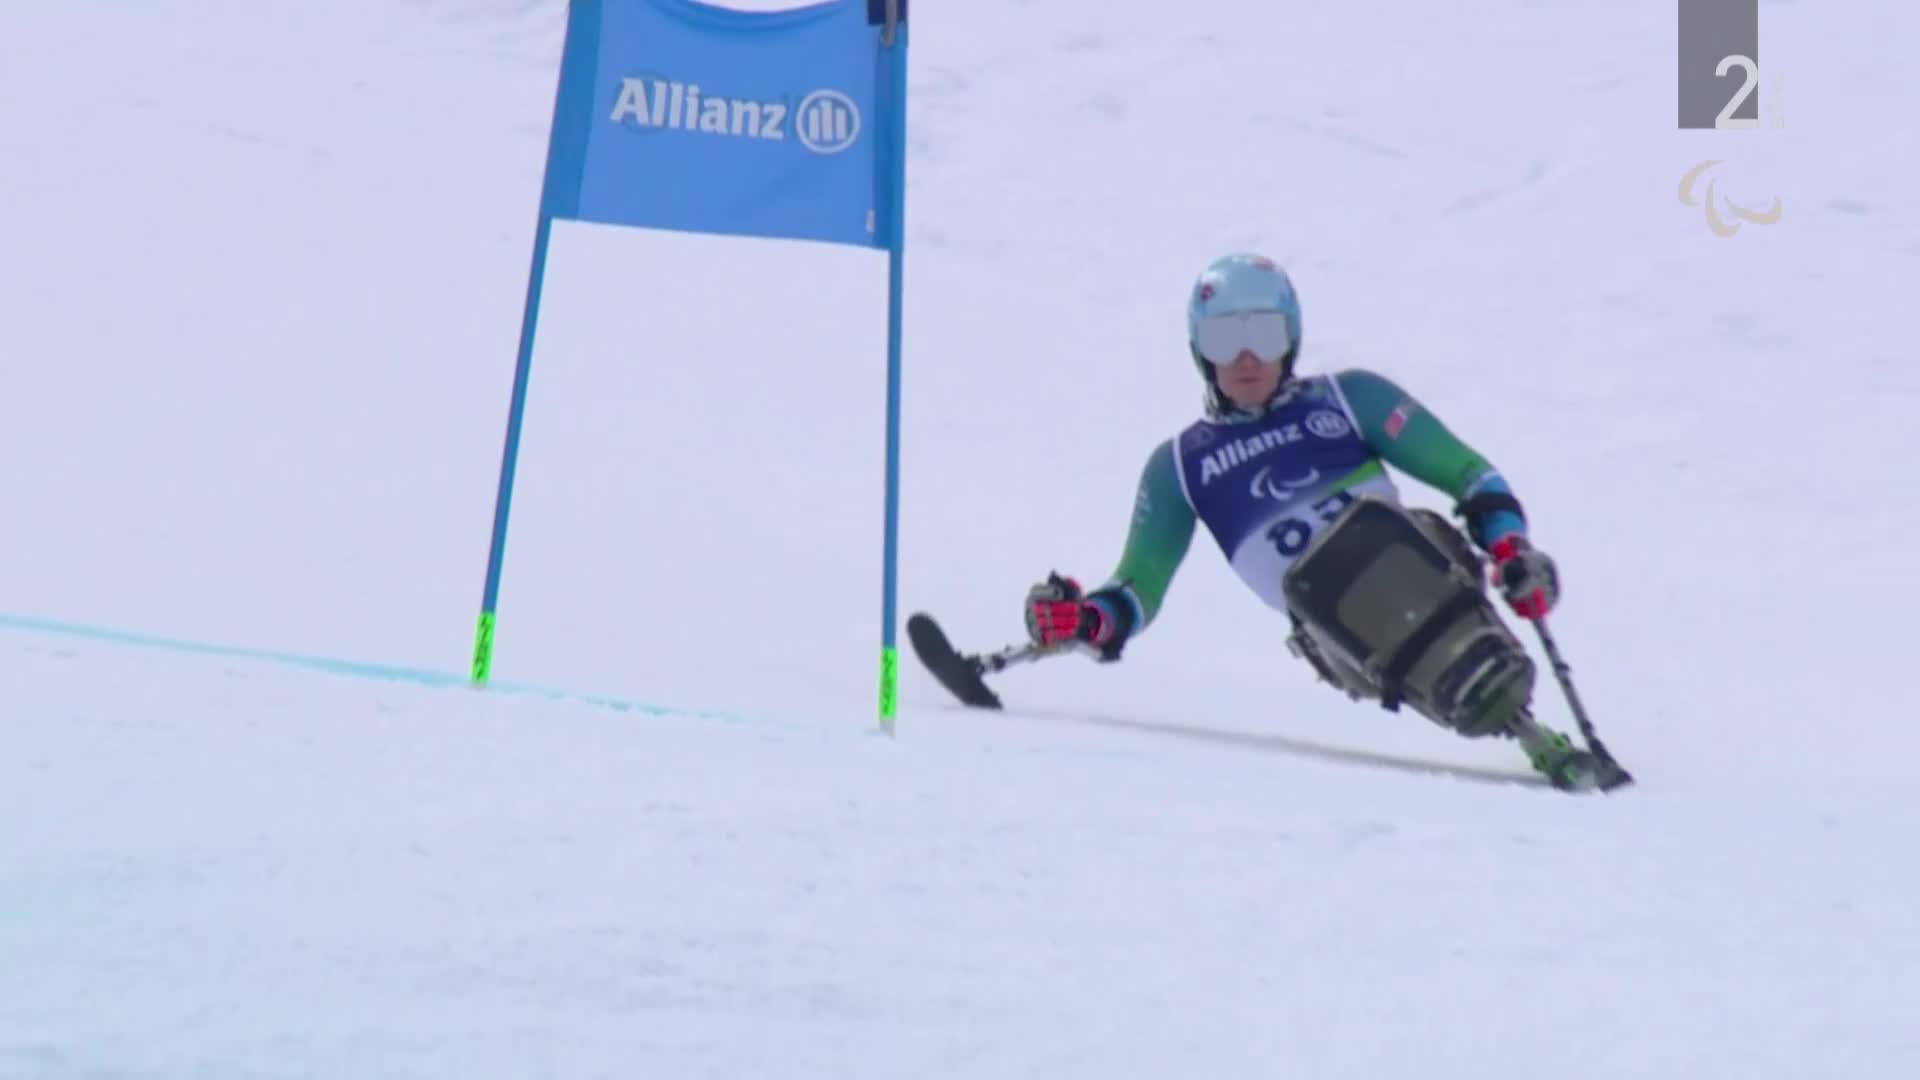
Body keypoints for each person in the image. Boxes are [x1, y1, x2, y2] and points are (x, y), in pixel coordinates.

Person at [1023, 252, 1602, 790]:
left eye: (1264, 335)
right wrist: (1086, 619)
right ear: (1200, 349)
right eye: (1225, 339)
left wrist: (1511, 550)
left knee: (1386, 541)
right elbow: (1138, 587)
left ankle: (1516, 713)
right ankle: (1516, 722)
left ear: (1291, 339)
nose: (1246, 358)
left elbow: (1470, 475)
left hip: (1427, 573)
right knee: (1330, 579)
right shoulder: (1178, 466)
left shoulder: (1350, 399)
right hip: (1342, 638)